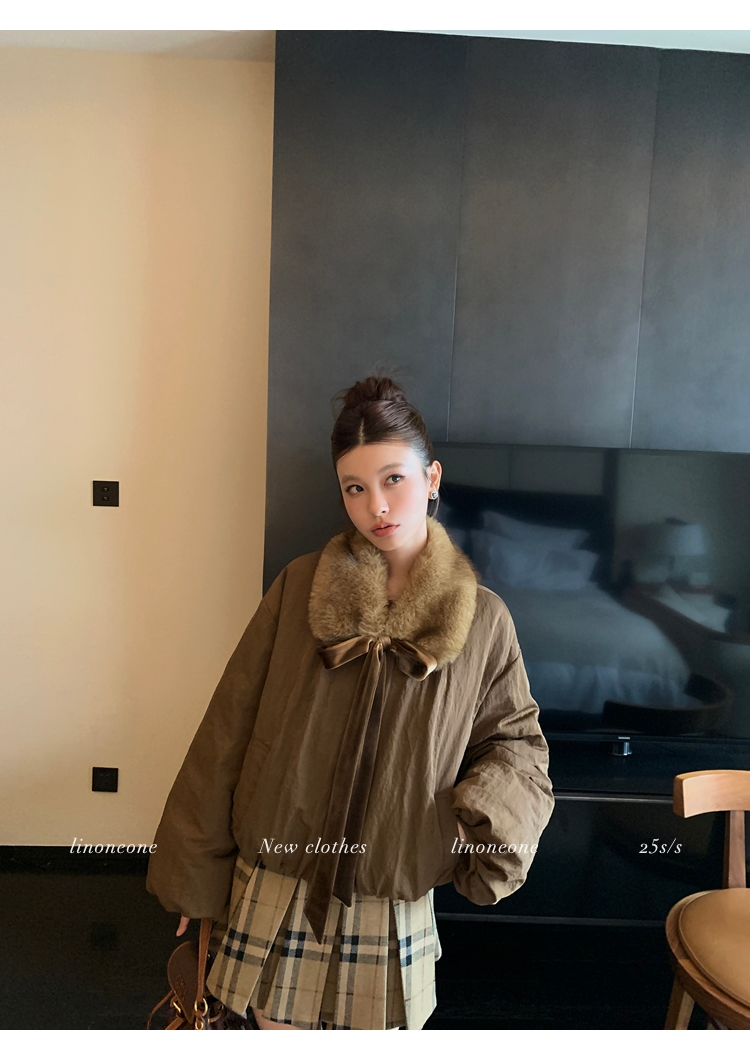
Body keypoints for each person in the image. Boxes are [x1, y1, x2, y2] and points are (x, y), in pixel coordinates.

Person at [145, 375, 555, 1030]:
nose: (377, 506)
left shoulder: (484, 620)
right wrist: (195, 873)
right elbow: (229, 726)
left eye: (394, 479)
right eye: (355, 488)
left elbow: (516, 744)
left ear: (432, 477)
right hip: (278, 874)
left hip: (390, 890)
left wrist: (479, 817)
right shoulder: (299, 587)